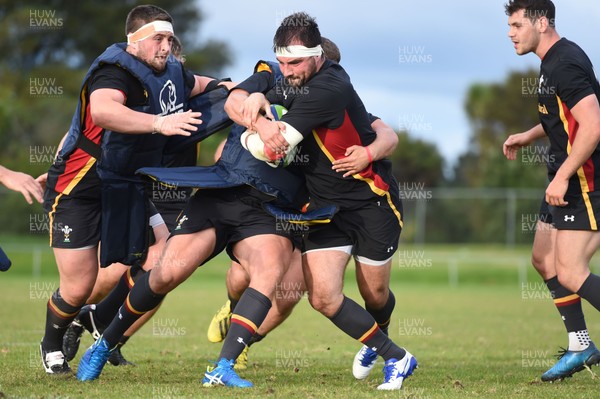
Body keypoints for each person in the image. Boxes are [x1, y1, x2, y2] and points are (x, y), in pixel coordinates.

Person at [224, 12, 416, 390]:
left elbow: (269, 150)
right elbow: (243, 98)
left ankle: (381, 338)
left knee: (373, 293)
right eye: (282, 63)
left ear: (317, 58)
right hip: (325, 209)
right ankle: (396, 355)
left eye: (293, 63)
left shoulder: (329, 88)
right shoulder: (299, 82)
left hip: (371, 203)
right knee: (323, 298)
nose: (286, 71)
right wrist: (259, 98)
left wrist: (254, 128)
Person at [39, 4, 219, 376]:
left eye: (170, 38)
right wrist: (159, 123)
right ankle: (51, 343)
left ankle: (100, 319)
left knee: (161, 256)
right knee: (79, 285)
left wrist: (244, 91)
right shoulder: (113, 73)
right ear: (134, 40)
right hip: (80, 188)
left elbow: (207, 84)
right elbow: (102, 112)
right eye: (158, 38)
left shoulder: (172, 73)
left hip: (124, 184)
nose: (166, 46)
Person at [504, 0, 600, 381]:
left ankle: (582, 346)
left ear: (542, 22)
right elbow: (568, 114)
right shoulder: (551, 63)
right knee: (544, 260)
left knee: (572, 273)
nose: (510, 33)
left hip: (585, 181)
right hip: (565, 180)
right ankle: (581, 346)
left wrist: (562, 176)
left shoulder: (564, 62)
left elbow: (592, 125)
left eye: (516, 25)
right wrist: (529, 135)